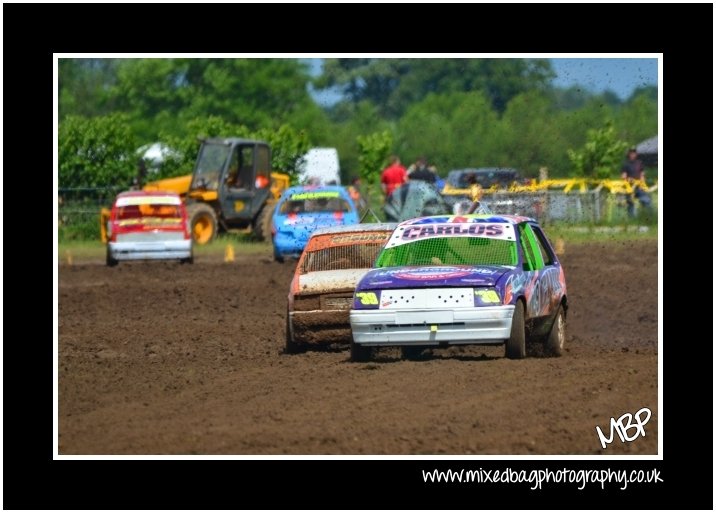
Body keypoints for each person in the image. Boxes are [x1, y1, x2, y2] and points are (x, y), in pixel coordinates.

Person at [620, 147, 652, 218]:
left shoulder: (639, 163)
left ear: (636, 154)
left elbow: (642, 174)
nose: (632, 154)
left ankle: (649, 218)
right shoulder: (625, 164)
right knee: (631, 204)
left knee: (647, 201)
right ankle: (633, 221)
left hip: (639, 187)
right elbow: (623, 176)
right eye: (631, 153)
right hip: (630, 188)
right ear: (628, 154)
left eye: (634, 153)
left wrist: (642, 183)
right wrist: (628, 179)